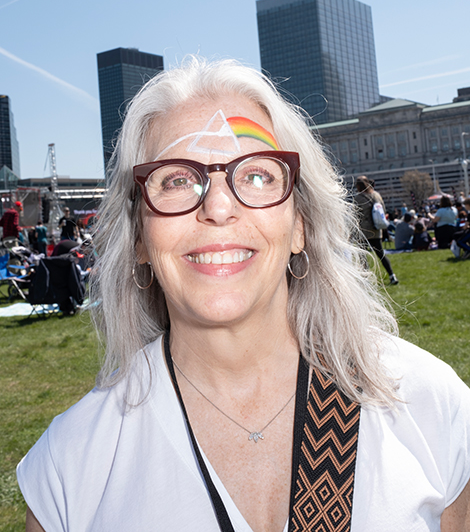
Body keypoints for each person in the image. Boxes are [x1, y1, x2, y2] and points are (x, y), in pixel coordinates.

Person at [17, 58, 470, 532]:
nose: (217, 207)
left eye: (257, 175)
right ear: (139, 240)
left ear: (300, 225)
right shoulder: (70, 471)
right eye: (176, 179)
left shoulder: (429, 406)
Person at [354, 176, 399, 284]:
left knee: (363, 256)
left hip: (364, 230)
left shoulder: (358, 198)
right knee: (381, 255)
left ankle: (366, 279)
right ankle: (392, 275)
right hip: (376, 229)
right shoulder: (376, 195)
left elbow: (355, 214)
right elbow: (383, 210)